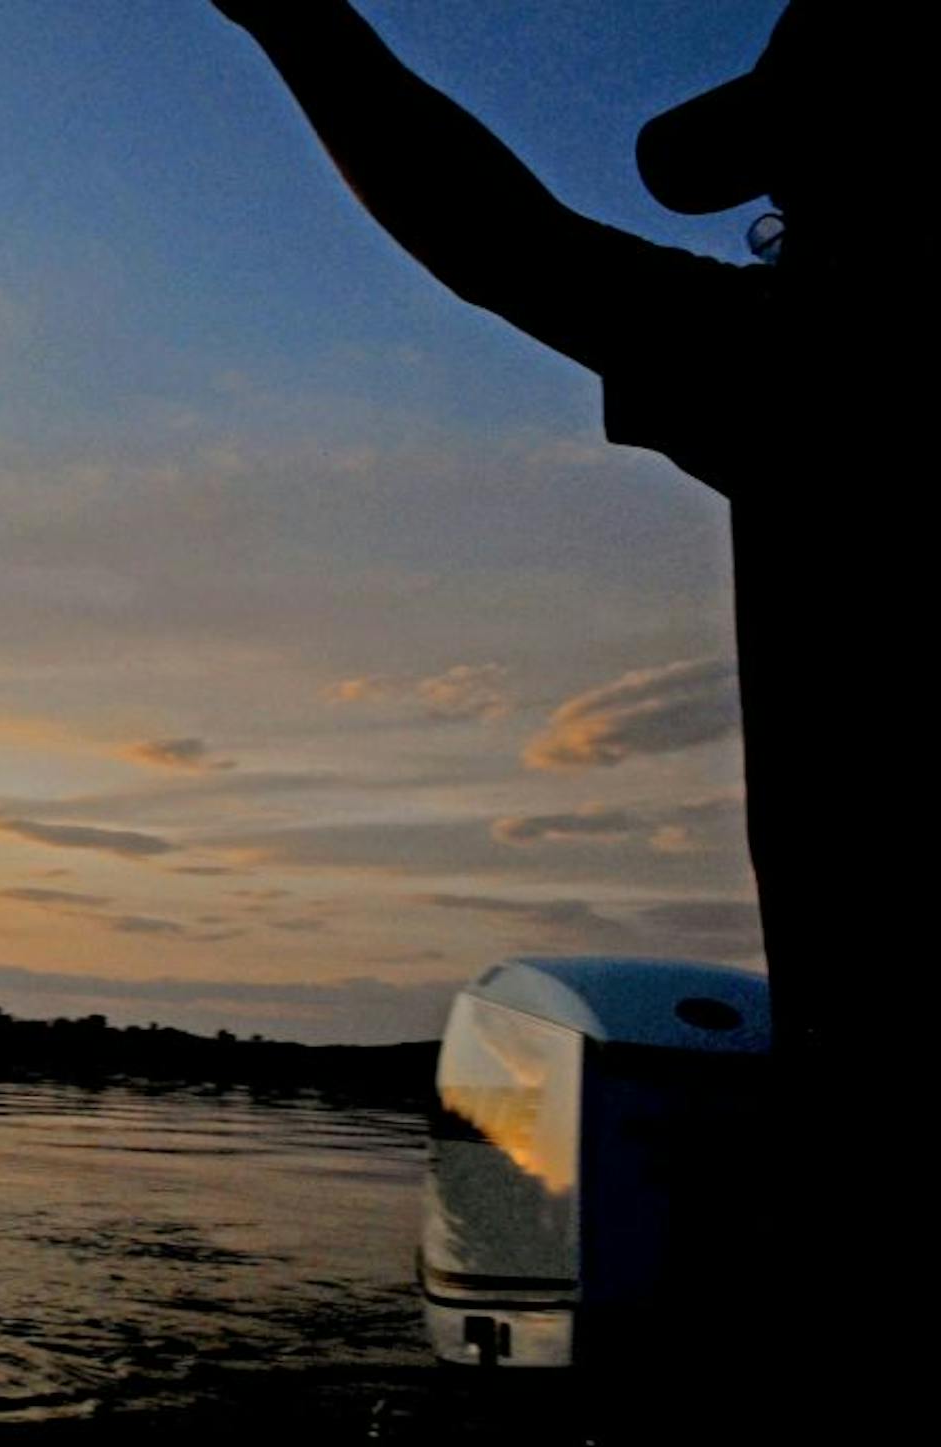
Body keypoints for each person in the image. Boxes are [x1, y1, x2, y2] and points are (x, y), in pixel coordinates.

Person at [205, 0, 915, 1421]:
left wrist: (287, 11)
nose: (789, 210)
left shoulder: (819, 373)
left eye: (815, 166)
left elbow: (502, 243)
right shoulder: (799, 360)